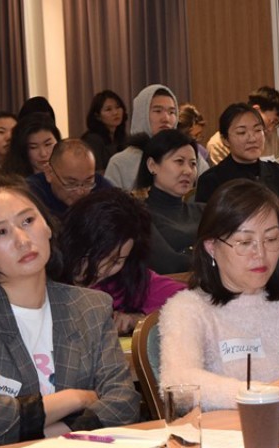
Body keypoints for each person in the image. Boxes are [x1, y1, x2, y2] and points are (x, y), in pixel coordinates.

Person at [0, 174, 139, 447]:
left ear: (48, 226)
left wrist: (40, 431)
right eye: (0, 232)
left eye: (28, 221)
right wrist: (77, 398)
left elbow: (124, 404)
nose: (22, 239)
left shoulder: (91, 308)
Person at [159, 179, 279, 411]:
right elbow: (177, 384)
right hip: (232, 431)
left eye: (271, 240)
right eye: (245, 242)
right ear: (211, 247)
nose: (260, 253)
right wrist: (265, 394)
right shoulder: (188, 308)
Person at [57, 188, 185, 335]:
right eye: (95, 256)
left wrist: (137, 320)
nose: (102, 269)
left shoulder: (129, 278)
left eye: (116, 261)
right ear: (75, 242)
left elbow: (191, 302)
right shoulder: (47, 276)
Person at [195, 103, 279, 216]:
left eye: (258, 130)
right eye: (242, 132)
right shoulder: (211, 181)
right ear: (225, 140)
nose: (252, 139)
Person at [106, 84, 209, 190]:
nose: (166, 118)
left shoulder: (190, 157)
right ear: (141, 115)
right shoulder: (120, 163)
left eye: (172, 112)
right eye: (158, 111)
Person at [135, 129, 205, 274]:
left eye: (193, 164)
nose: (188, 171)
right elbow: (170, 265)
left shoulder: (204, 210)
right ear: (152, 165)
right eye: (179, 161)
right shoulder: (139, 215)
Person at [26, 139, 114, 218]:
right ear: (49, 173)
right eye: (71, 184)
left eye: (88, 182)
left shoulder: (102, 189)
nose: (80, 192)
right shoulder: (31, 193)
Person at [207, 86, 279, 165]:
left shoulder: (274, 140)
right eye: (272, 122)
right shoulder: (217, 144)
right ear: (257, 110)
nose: (271, 129)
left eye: (276, 124)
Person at [81, 90, 128, 171]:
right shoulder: (92, 140)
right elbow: (95, 172)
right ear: (97, 116)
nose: (115, 112)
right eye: (108, 109)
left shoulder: (122, 137)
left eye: (118, 107)